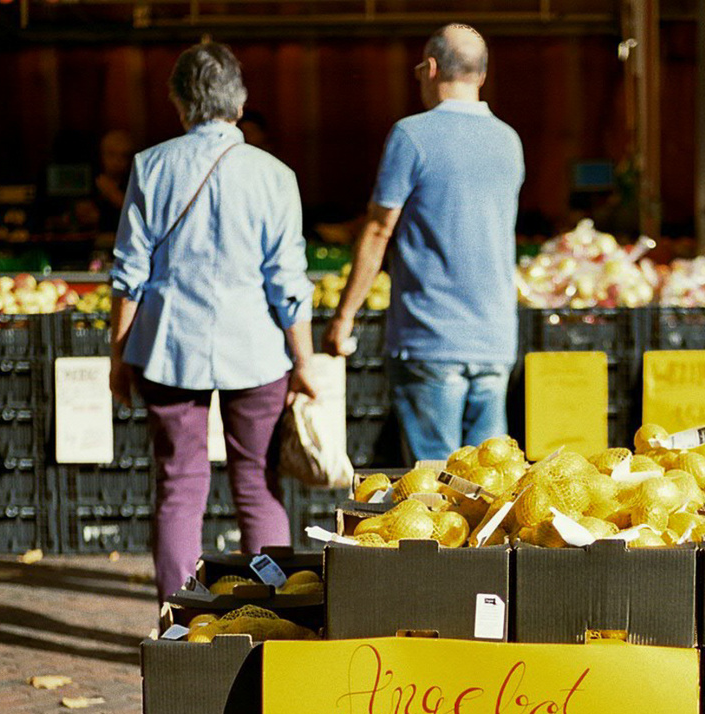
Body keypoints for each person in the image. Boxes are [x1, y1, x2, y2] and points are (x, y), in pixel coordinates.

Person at [110, 42, 316, 602]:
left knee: (178, 489)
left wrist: (118, 357)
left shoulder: (151, 167)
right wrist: (305, 359)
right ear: (240, 100)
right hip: (257, 350)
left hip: (168, 350)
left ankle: (179, 623)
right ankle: (272, 612)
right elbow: (287, 281)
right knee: (257, 484)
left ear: (180, 102)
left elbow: (129, 274)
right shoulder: (275, 175)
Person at [321, 23, 525, 463]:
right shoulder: (509, 141)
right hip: (494, 340)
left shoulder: (412, 135)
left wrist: (344, 317)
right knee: (489, 486)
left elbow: (378, 230)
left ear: (430, 69)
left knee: (434, 490)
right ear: (482, 75)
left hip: (430, 339)